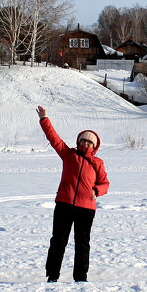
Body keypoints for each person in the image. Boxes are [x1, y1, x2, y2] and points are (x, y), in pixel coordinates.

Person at [37, 105, 109, 282]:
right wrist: (44, 119)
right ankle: (52, 276)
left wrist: (96, 190)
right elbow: (53, 138)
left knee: (82, 244)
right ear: (78, 142)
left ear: (94, 146)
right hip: (64, 204)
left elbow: (105, 183)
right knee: (58, 242)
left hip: (86, 208)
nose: (85, 144)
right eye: (83, 140)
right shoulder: (68, 155)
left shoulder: (97, 163)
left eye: (89, 142)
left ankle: (81, 278)